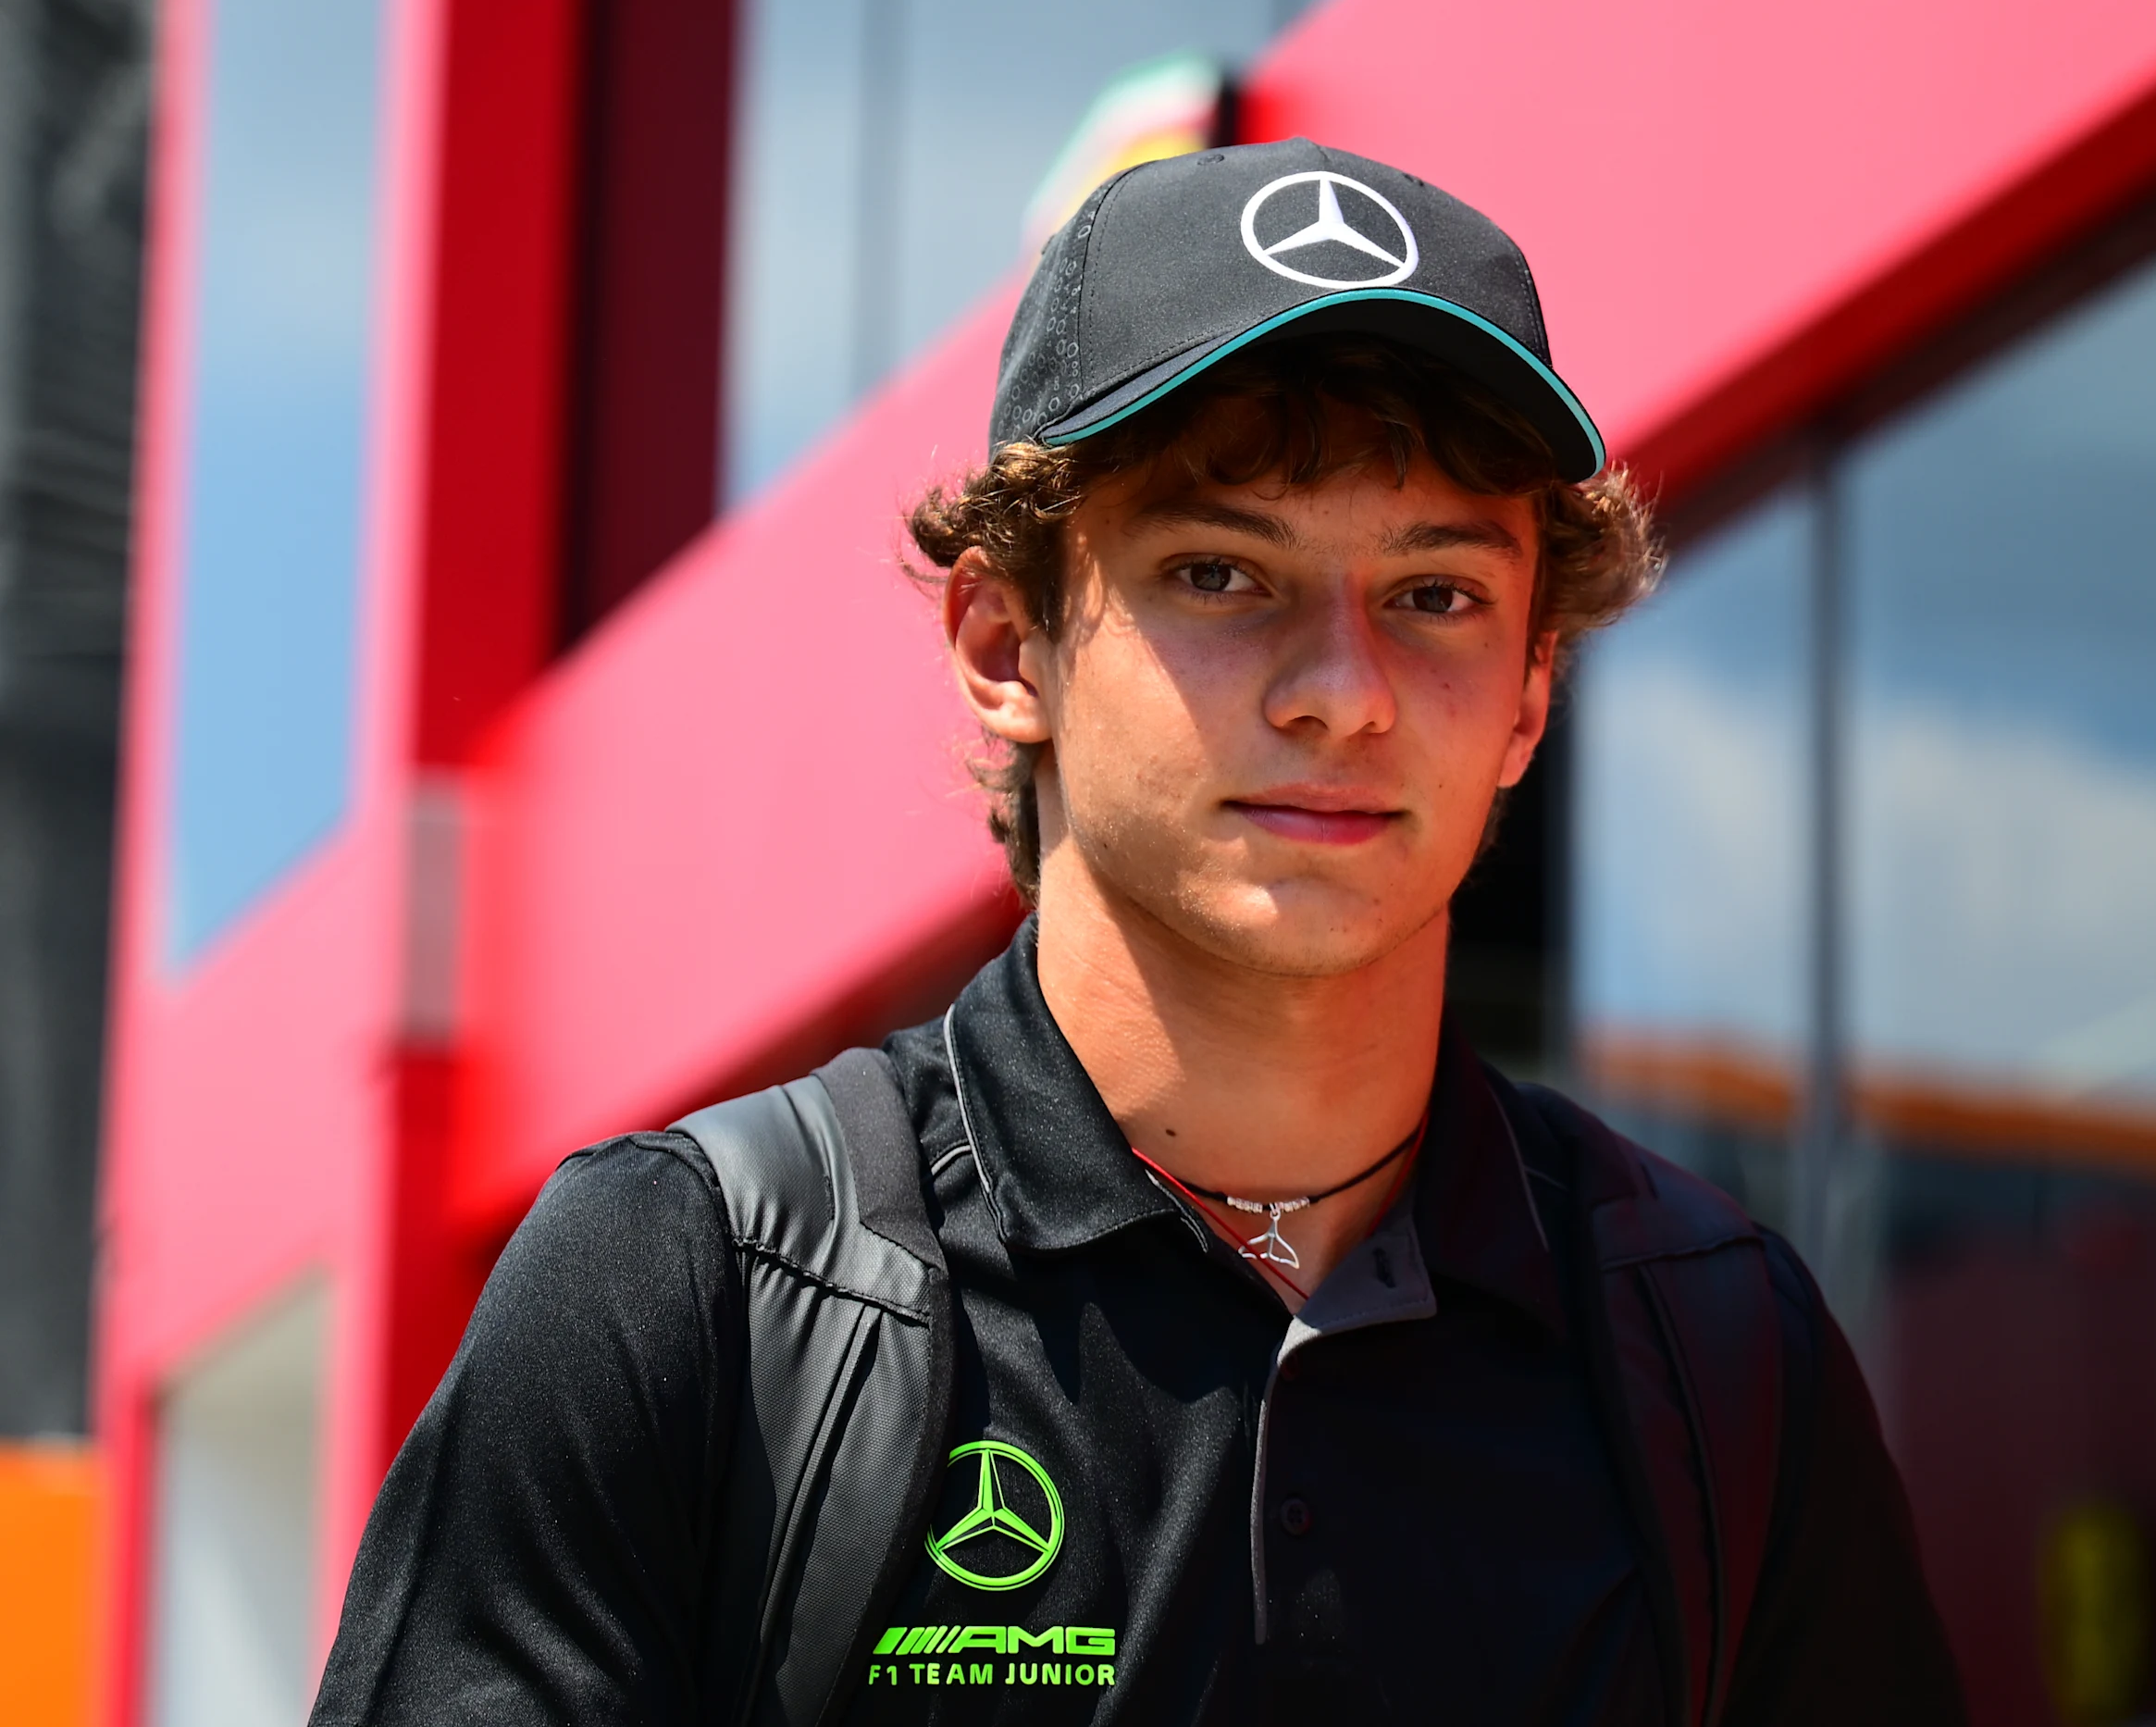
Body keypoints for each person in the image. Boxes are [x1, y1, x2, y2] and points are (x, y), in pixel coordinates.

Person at [308, 140, 1961, 1726]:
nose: (1344, 693)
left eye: (1437, 595)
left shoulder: (1715, 1349)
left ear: (1532, 688)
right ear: (1005, 644)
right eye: (1222, 574)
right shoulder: (701, 1287)